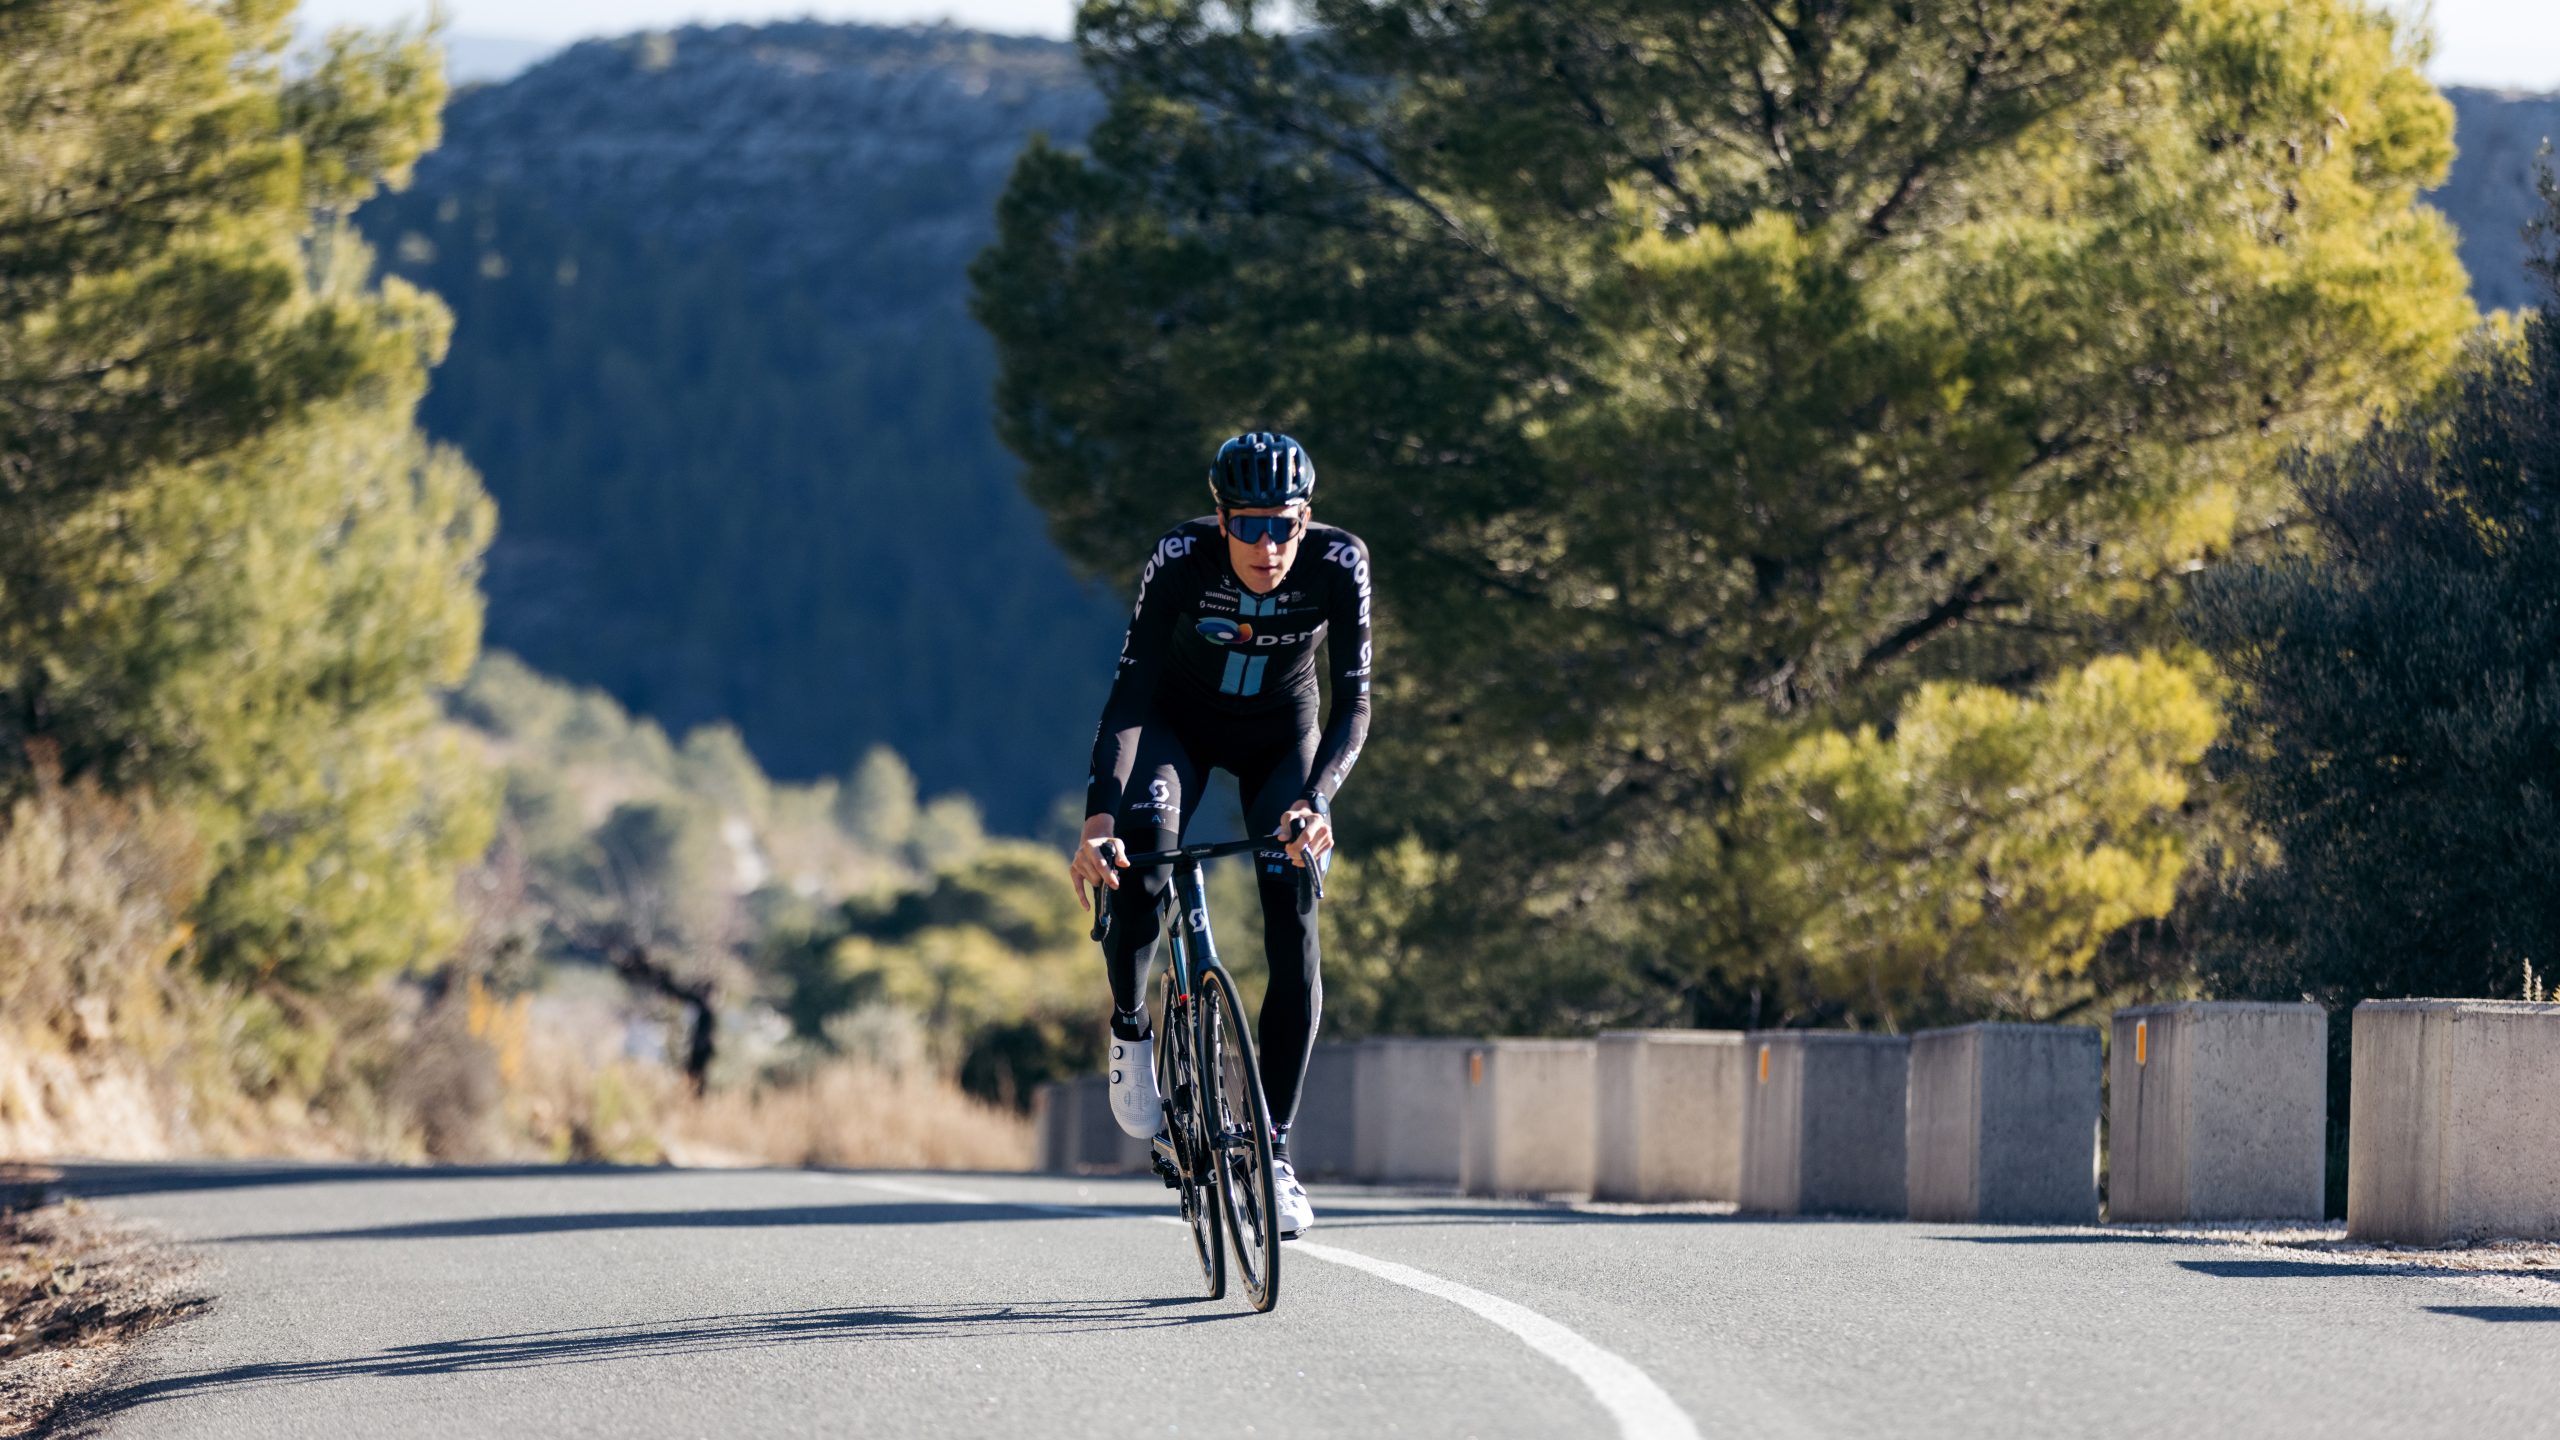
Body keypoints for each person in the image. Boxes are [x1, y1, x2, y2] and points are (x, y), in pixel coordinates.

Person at [1066, 431, 1372, 1239]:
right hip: (1179, 729)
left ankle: (1274, 1153)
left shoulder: (1339, 562)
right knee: (1139, 871)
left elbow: (1354, 702)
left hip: (1283, 738)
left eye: (1285, 526)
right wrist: (1099, 819)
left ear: (1307, 519)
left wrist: (1317, 801)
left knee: (1294, 919)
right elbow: (1131, 692)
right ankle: (1131, 1024)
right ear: (1221, 519)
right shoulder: (1181, 558)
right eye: (1248, 527)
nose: (1268, 548)